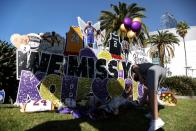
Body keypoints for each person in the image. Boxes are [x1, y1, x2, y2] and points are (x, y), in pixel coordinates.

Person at [131, 63, 166, 131]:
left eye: (138, 80)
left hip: (154, 69)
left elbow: (134, 66)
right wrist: (140, 104)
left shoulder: (138, 71)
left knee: (152, 92)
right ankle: (152, 113)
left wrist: (139, 76)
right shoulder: (147, 76)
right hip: (162, 72)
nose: (140, 82)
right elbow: (146, 93)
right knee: (151, 92)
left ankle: (156, 121)